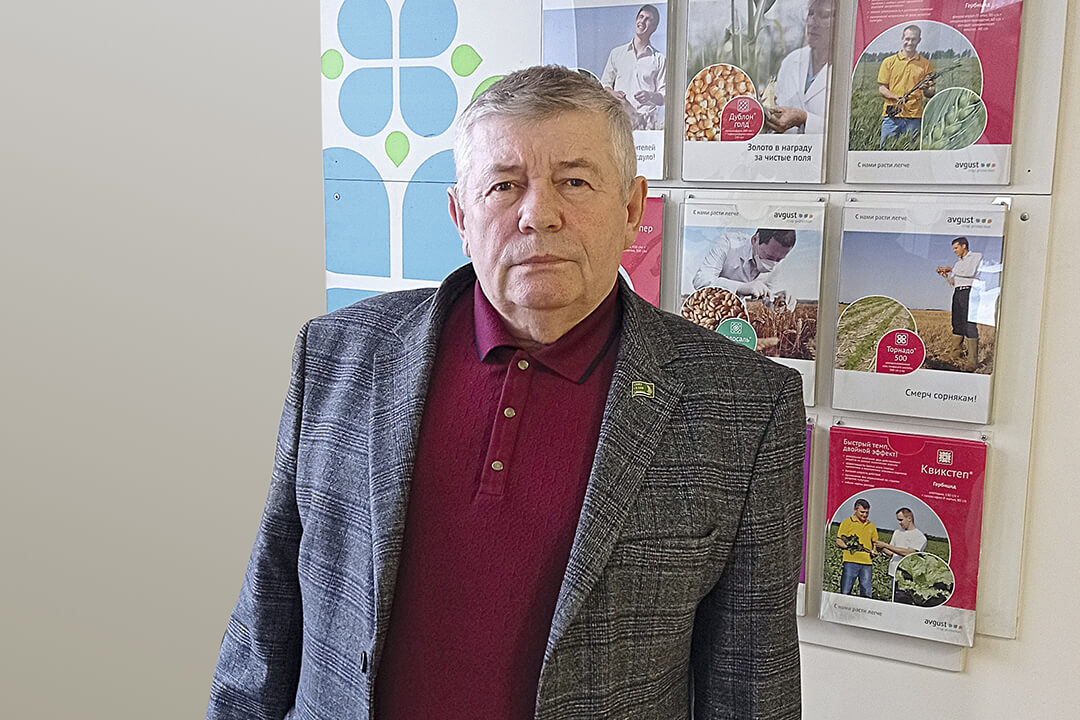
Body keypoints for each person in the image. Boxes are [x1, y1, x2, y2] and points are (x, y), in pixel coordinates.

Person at [207, 66, 805, 720]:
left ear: (632, 210)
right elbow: (264, 630)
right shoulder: (337, 355)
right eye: (503, 185)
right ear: (460, 216)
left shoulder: (744, 407)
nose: (538, 214)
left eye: (574, 181)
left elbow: (753, 689)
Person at [766, 0, 834, 135]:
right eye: (811, 14)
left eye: (824, 16)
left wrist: (804, 119)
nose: (812, 22)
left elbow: (845, 130)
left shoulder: (844, 69)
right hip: (784, 148)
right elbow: (778, 103)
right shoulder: (791, 61)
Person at [600, 4, 666, 130]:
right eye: (641, 17)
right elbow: (604, 85)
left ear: (654, 28)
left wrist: (650, 96)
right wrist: (613, 94)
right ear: (636, 21)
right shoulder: (616, 53)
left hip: (646, 124)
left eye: (648, 19)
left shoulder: (659, 59)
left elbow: (664, 97)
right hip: (620, 121)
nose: (642, 21)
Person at [691, 228, 796, 303]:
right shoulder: (729, 243)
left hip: (737, 313)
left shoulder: (776, 262)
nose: (772, 264)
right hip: (708, 306)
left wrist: (778, 300)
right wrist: (740, 287)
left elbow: (767, 300)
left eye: (779, 259)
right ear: (755, 240)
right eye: (768, 256)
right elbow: (701, 280)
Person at [877, 24, 936, 146]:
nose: (910, 42)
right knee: (886, 151)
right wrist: (895, 97)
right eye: (907, 39)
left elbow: (931, 93)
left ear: (919, 40)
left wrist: (926, 89)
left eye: (913, 39)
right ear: (902, 39)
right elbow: (882, 88)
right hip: (892, 115)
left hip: (914, 117)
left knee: (911, 151)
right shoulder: (888, 62)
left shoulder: (925, 64)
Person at [936, 236, 982, 371]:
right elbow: (954, 283)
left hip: (970, 292)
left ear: (964, 246)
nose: (954, 251)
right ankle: (955, 354)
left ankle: (972, 361)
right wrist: (946, 276)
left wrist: (951, 269)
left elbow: (970, 272)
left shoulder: (976, 257)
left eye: (956, 248)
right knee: (957, 323)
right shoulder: (957, 264)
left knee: (969, 325)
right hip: (958, 292)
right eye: (953, 249)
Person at [874, 507, 928, 601]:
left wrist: (886, 545)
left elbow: (909, 553)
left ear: (909, 518)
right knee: (894, 600)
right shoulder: (897, 532)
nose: (899, 522)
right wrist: (880, 548)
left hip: (907, 577)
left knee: (904, 601)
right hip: (894, 573)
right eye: (898, 520)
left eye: (901, 520)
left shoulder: (919, 536)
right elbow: (892, 553)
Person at [836, 498, 878, 599]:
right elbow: (839, 540)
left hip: (867, 562)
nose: (865, 515)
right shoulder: (847, 522)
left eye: (867, 512)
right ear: (855, 510)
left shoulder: (871, 526)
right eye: (862, 512)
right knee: (846, 590)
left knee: (866, 591)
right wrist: (848, 546)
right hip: (850, 561)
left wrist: (874, 551)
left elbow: (875, 543)